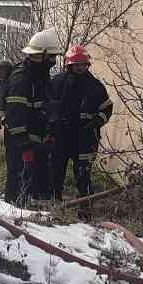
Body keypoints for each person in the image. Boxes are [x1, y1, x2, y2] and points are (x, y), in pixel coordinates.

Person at [42, 45, 113, 200]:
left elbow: (107, 108)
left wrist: (95, 123)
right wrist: (50, 128)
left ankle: (85, 208)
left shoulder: (95, 86)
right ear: (69, 64)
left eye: (83, 64)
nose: (80, 68)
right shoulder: (58, 82)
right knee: (56, 172)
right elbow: (47, 106)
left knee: (83, 174)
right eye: (77, 64)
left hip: (85, 137)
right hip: (61, 135)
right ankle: (55, 204)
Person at [2, 28, 62, 204]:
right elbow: (15, 117)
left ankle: (35, 217)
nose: (53, 61)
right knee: (18, 180)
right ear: (41, 56)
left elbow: (47, 108)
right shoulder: (21, 80)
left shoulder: (42, 77)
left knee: (37, 184)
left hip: (39, 142)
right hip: (20, 143)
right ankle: (14, 214)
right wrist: (24, 146)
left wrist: (51, 134)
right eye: (51, 57)